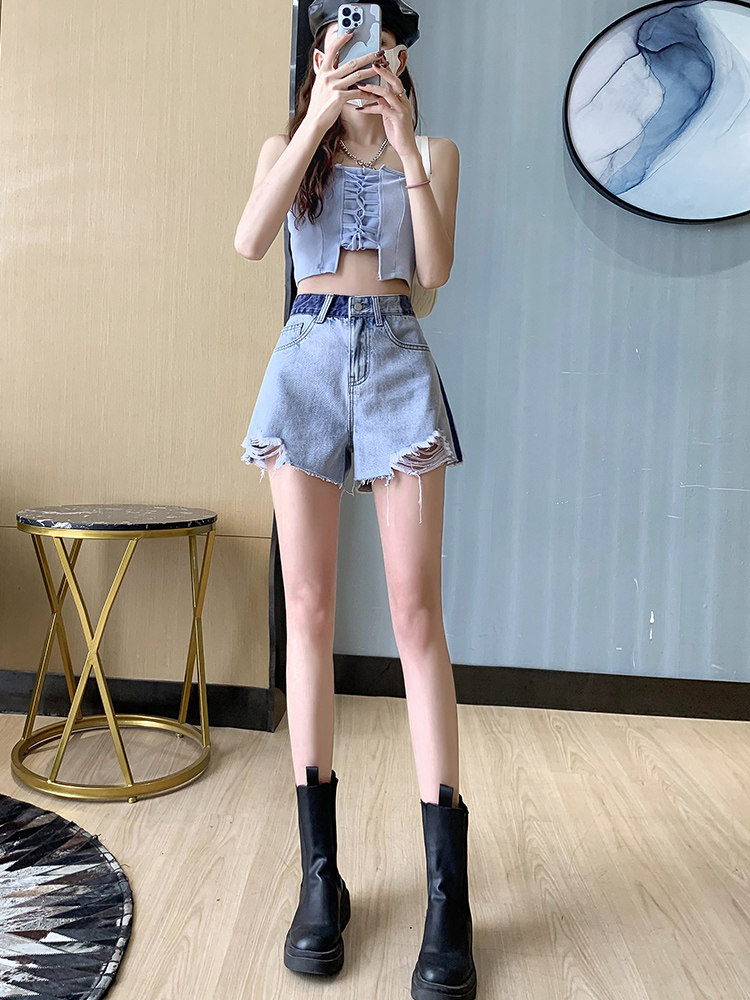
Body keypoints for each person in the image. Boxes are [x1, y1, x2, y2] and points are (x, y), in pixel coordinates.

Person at [234, 2, 476, 998]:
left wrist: (405, 147)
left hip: (396, 365)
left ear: (401, 54)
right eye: (349, 36)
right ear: (320, 51)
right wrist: (316, 120)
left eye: (385, 40)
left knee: (417, 615)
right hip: (303, 364)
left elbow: (435, 273)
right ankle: (319, 881)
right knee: (309, 611)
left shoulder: (437, 151)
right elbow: (252, 240)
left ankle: (448, 898)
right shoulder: (290, 150)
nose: (372, 53)